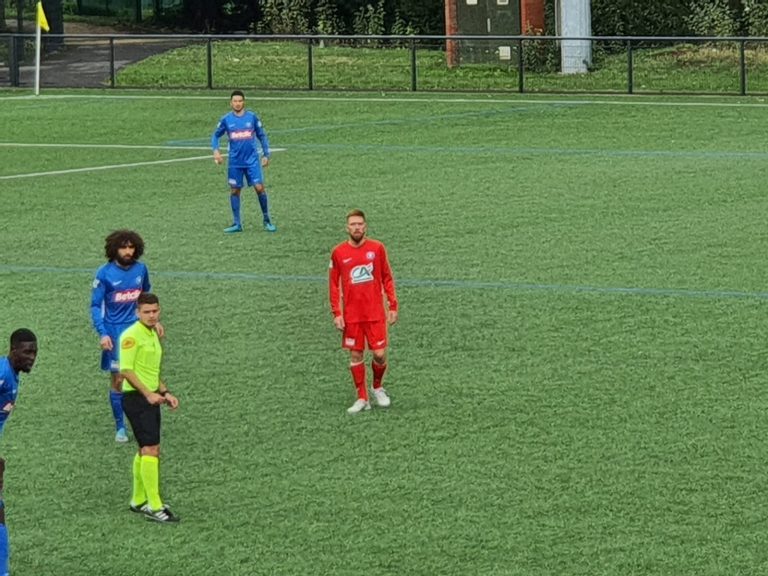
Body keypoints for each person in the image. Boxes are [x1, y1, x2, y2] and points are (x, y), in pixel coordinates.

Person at [329, 209, 398, 414]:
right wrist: (337, 313)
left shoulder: (377, 248)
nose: (357, 227)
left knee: (378, 354)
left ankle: (377, 387)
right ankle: (362, 398)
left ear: (365, 226)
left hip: (375, 313)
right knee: (356, 354)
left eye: (360, 224)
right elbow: (333, 285)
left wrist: (393, 306)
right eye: (353, 224)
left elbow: (387, 277)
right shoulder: (338, 252)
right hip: (352, 315)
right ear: (347, 227)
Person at [90, 230, 156, 443]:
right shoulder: (104, 273)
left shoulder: (141, 269)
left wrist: (154, 322)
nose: (128, 251)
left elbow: (145, 297)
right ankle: (120, 427)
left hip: (138, 331)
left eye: (131, 247)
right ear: (114, 249)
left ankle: (142, 420)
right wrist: (103, 333)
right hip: (115, 333)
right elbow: (95, 305)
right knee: (119, 379)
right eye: (123, 247)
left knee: (144, 375)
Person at [119, 292, 180, 523]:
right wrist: (148, 394)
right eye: (147, 312)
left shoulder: (152, 332)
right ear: (137, 312)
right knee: (151, 449)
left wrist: (165, 392)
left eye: (155, 311)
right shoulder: (131, 336)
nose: (152, 315)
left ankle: (138, 500)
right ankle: (155, 507)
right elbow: (126, 370)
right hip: (136, 398)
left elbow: (151, 371)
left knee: (145, 449)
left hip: (150, 397)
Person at [211, 89, 276, 234]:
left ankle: (267, 220)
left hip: (252, 161)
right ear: (231, 103)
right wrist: (216, 151)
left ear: (243, 102)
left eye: (240, 101)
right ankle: (237, 223)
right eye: (235, 101)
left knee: (259, 188)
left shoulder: (252, 118)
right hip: (235, 162)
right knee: (235, 190)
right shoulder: (226, 120)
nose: (237, 104)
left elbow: (262, 136)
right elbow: (215, 136)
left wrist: (266, 154)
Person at [0, 329, 38, 575]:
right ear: (13, 351)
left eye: (34, 352)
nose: (32, 357)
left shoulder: (12, 373)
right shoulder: (3, 374)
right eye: (27, 352)